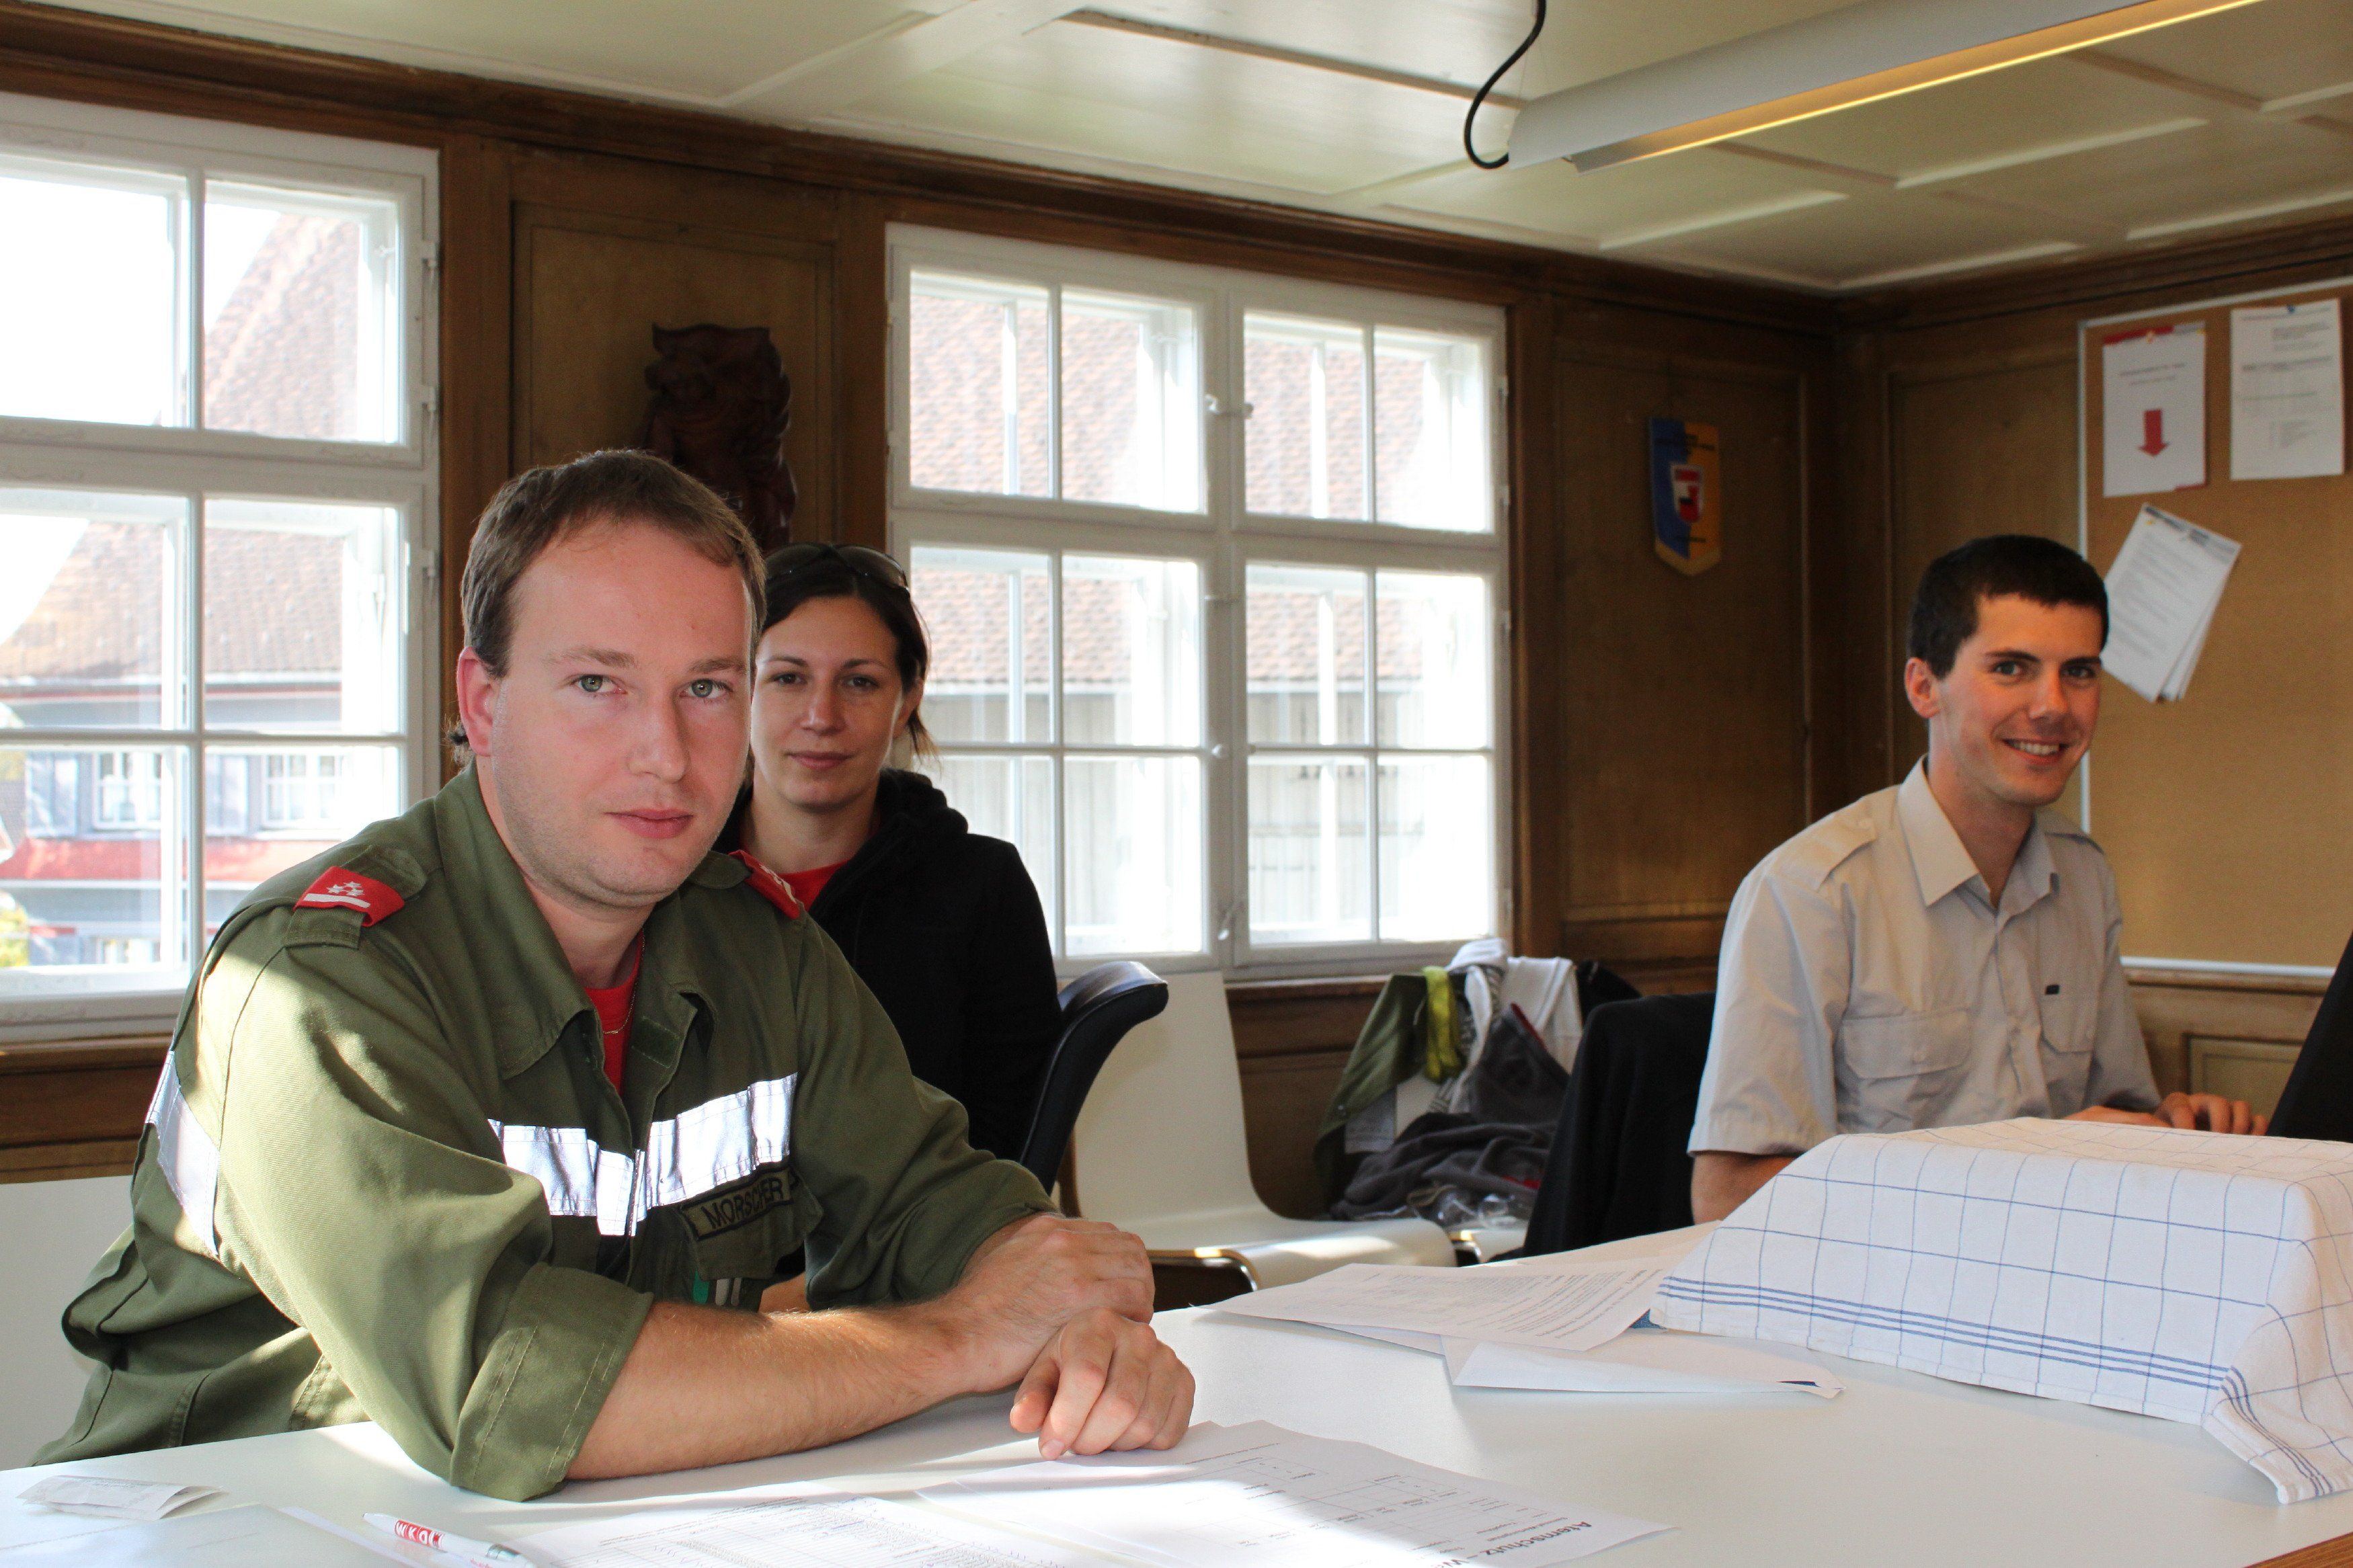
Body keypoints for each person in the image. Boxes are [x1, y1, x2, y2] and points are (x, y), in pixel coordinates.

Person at [37, 452, 1191, 1501]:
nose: (666, 753)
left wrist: (1078, 1328)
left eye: (707, 687)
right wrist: (958, 1338)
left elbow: (946, 1207)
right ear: (482, 702)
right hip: (216, 1521)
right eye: (598, 683)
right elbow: (510, 1385)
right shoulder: (316, 984)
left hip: (601, 1521)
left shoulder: (761, 948)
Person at [1688, 534, 2264, 1225]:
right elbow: (1726, 1197)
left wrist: (2176, 1125)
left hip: (2062, 1261)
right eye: (2011, 668)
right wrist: (2031, 1162)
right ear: (1923, 687)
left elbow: (2113, 1114)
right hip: (1888, 1281)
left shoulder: (2083, 875)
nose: (2053, 705)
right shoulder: (1811, 890)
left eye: (2079, 671)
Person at [731, 544, 1059, 1163]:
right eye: (788, 677)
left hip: (920, 1225)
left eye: (860, 682)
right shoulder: (669, 881)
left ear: (906, 700)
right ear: (740, 688)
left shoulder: (984, 889)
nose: (822, 716)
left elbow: (1000, 1149)